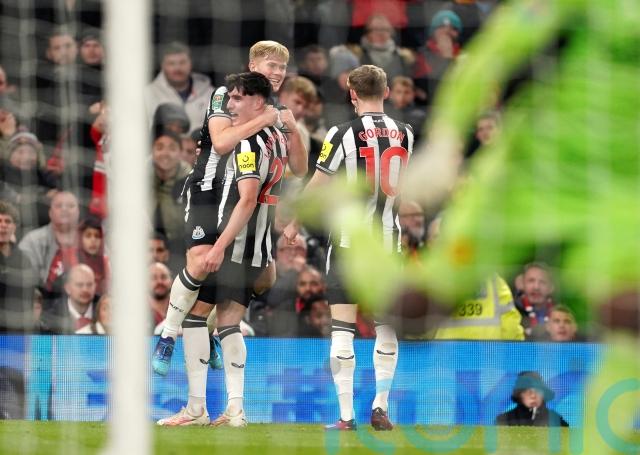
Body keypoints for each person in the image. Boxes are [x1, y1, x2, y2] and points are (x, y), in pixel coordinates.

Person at [151, 40, 307, 376]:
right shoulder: (227, 94)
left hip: (247, 199)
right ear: (253, 65)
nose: (278, 72)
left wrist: (292, 128)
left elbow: (299, 167)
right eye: (271, 65)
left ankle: (207, 332)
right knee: (200, 261)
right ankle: (167, 335)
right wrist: (265, 119)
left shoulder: (277, 109)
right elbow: (221, 143)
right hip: (209, 188)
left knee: (264, 277)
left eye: (282, 67)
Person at [284, 65, 414, 431]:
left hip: (347, 243)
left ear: (352, 93)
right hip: (388, 246)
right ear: (386, 92)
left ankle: (346, 416)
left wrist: (294, 222)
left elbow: (319, 183)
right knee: (386, 328)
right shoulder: (406, 133)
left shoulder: (341, 133)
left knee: (343, 329)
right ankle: (381, 406)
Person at [18, 190, 80, 299]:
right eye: (59, 206)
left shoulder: (92, 239)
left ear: (78, 212)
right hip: (45, 301)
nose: (64, 209)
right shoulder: (32, 241)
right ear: (50, 212)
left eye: (70, 206)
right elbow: (25, 280)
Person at [145, 42, 214, 135]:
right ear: (162, 65)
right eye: (171, 63)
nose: (177, 68)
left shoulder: (211, 94)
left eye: (182, 62)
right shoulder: (148, 95)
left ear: (191, 63)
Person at [0, 200, 37, 333]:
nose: (3, 225)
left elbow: (29, 298)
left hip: (17, 332)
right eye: (0, 221)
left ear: (14, 227)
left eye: (8, 221)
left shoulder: (24, 260)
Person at [39, 263, 97, 334]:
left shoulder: (106, 313)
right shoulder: (48, 319)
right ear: (68, 288)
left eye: (89, 285)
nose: (85, 289)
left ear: (95, 287)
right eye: (79, 285)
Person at [496, 371, 569, 427]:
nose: (533, 395)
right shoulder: (503, 420)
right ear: (519, 395)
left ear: (543, 394)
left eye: (537, 390)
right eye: (527, 391)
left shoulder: (556, 420)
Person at [515, 262, 556, 339]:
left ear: (551, 287)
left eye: (542, 282)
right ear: (522, 284)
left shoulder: (560, 315)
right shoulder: (512, 311)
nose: (536, 287)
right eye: (531, 281)